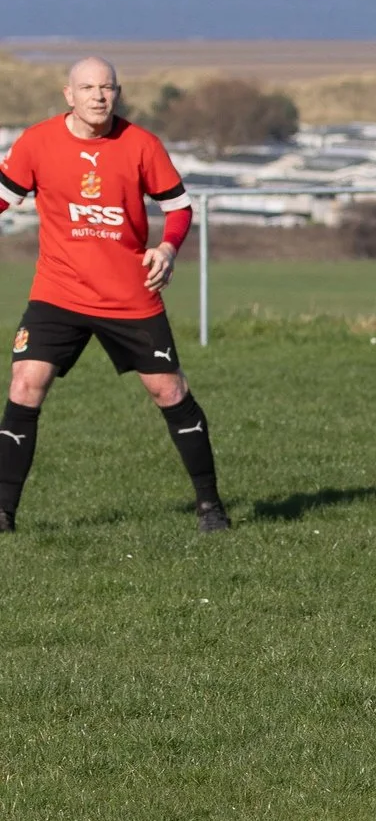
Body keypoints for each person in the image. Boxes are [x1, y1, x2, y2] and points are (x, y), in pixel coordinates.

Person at [0, 56, 226, 532]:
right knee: (24, 385)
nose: (98, 96)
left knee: (169, 390)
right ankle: (3, 514)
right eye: (87, 88)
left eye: (106, 88)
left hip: (129, 296)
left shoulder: (142, 145)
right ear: (69, 94)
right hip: (57, 293)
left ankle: (210, 506)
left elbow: (179, 207)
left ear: (117, 93)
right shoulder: (37, 142)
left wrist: (167, 248)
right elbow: (3, 196)